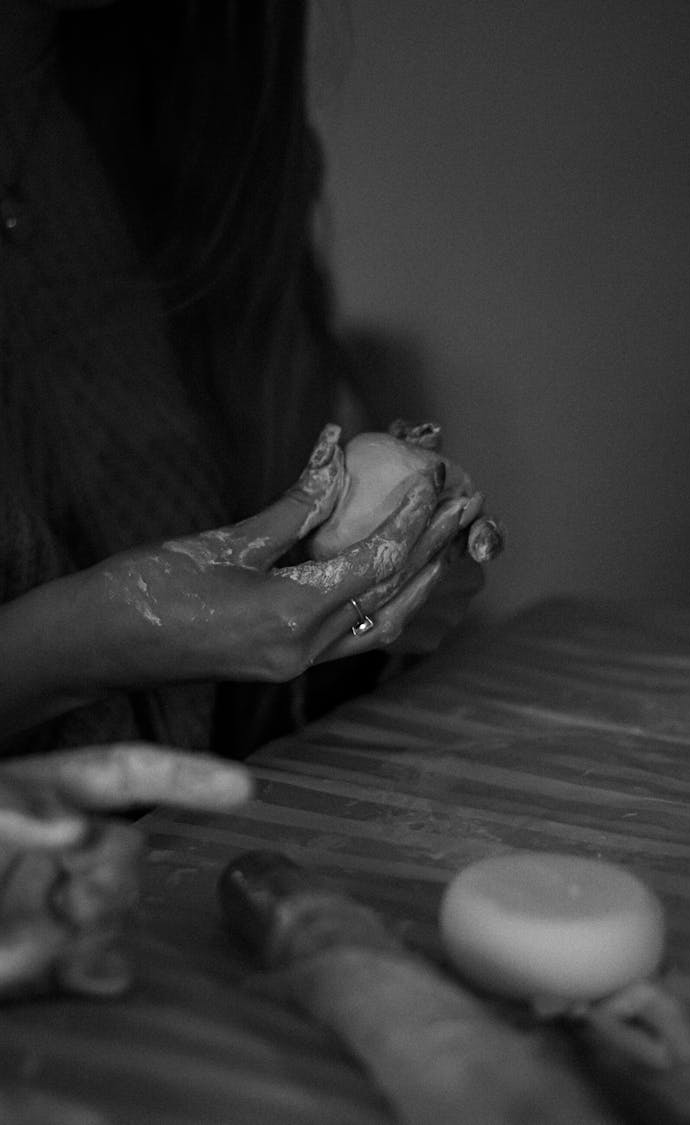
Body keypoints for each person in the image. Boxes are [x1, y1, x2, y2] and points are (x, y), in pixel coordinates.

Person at [0, 1, 501, 998]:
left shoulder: (197, 101)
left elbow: (251, 665)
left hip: (196, 934)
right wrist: (75, 644)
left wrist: (376, 616)